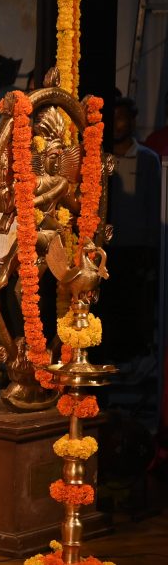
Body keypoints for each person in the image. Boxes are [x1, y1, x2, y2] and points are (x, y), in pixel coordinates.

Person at [93, 97, 161, 365]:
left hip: (134, 246)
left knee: (133, 306)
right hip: (104, 247)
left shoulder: (146, 158)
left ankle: (132, 361)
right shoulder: (99, 157)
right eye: (113, 118)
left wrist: (151, 247)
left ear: (132, 120)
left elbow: (154, 205)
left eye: (122, 118)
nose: (117, 125)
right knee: (106, 308)